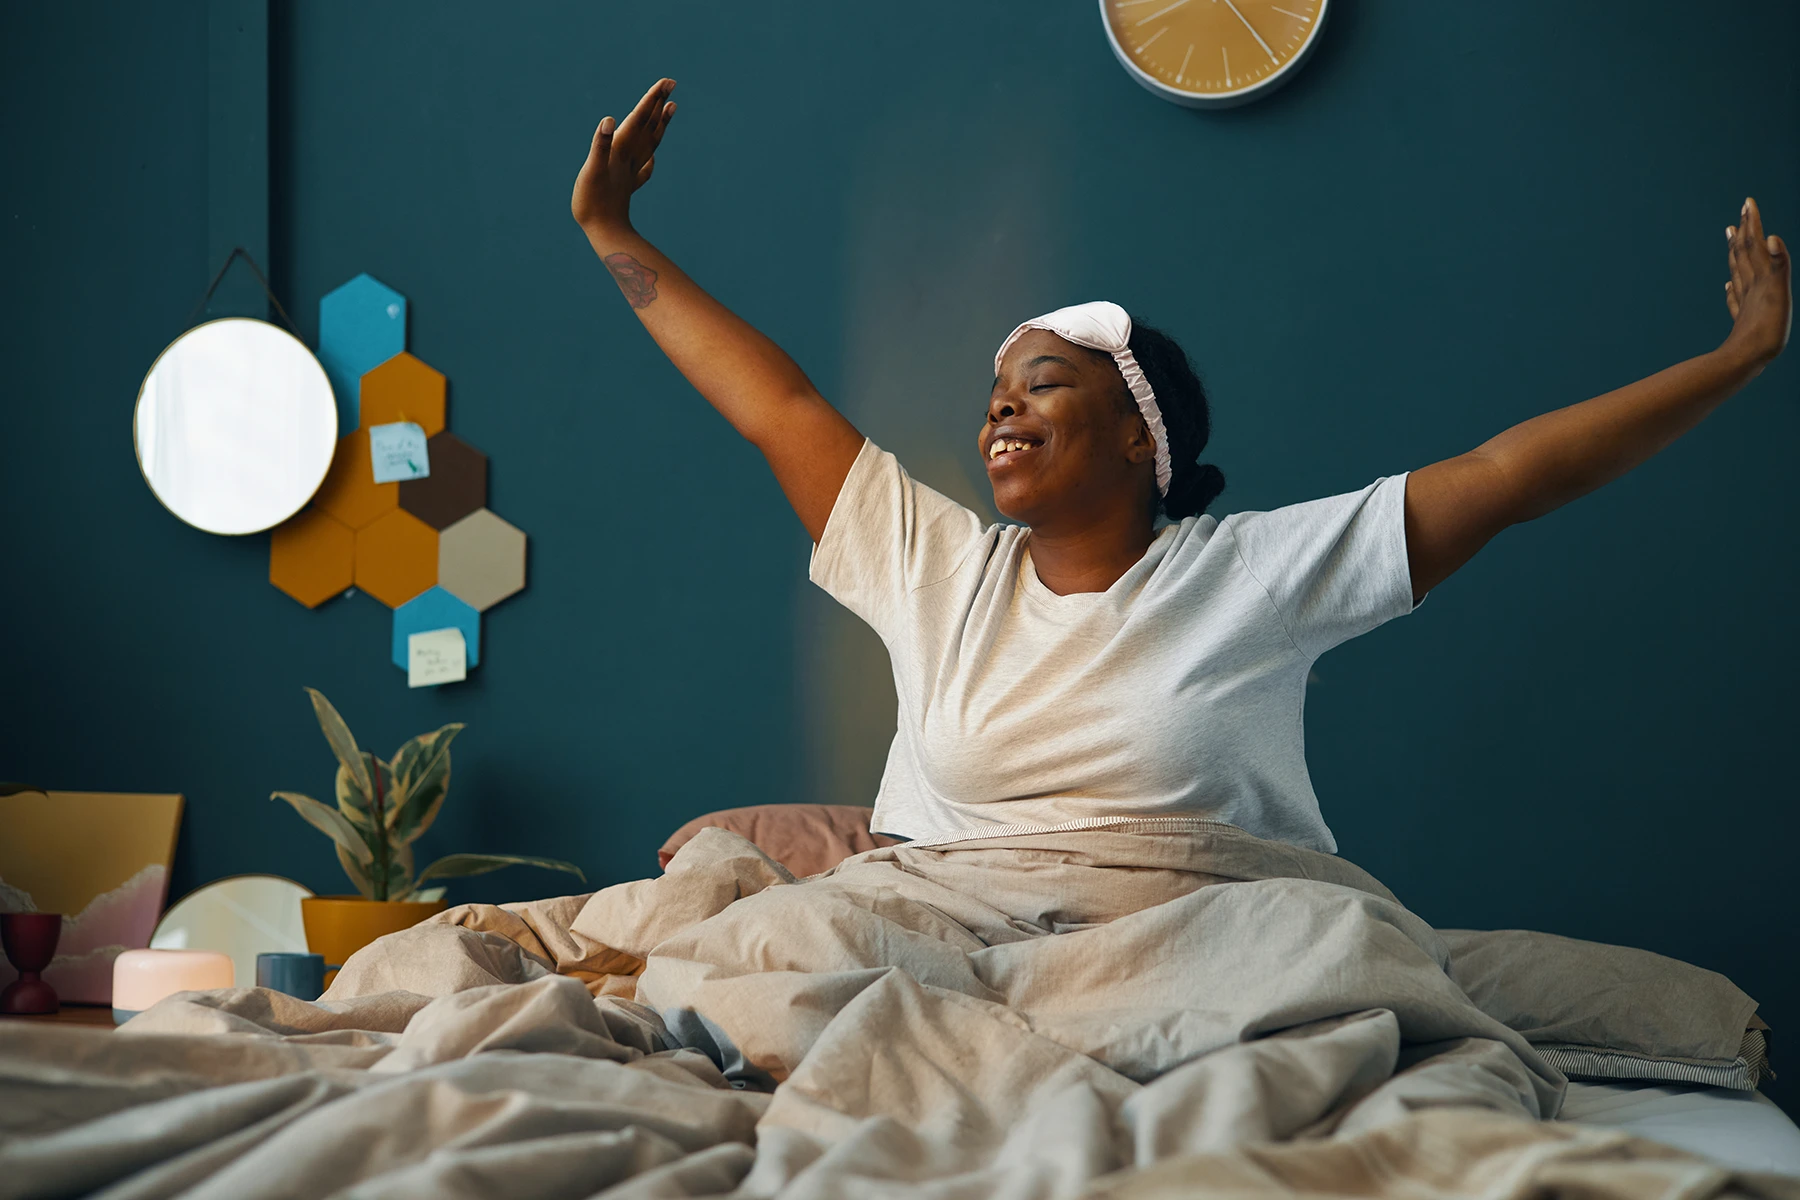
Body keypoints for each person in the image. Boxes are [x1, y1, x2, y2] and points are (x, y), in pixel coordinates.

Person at [571, 78, 1791, 855]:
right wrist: (615, 236)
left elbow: (1513, 474)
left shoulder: (1253, 574)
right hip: (943, 927)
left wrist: (1736, 359)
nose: (1001, 408)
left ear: (1140, 438)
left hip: (1180, 941)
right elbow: (776, 404)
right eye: (997, 394)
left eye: (1044, 386)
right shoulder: (937, 568)